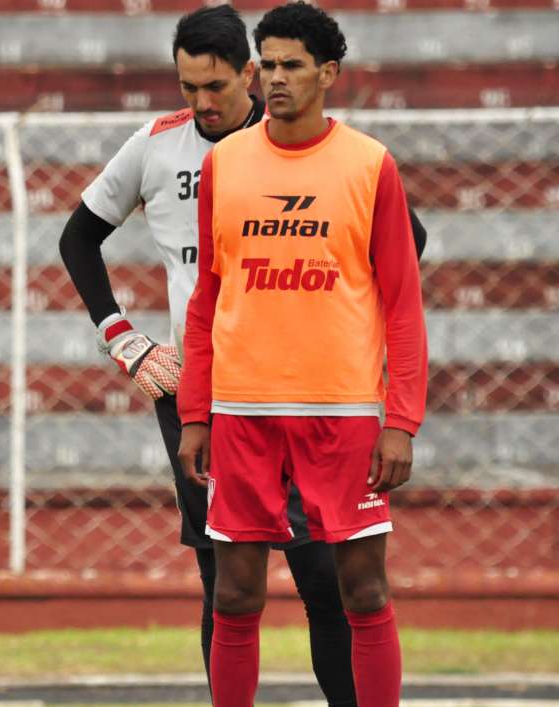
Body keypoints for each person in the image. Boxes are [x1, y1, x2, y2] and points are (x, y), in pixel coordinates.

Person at [59, 6, 425, 706]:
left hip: (321, 394)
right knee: (223, 582)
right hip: (212, 394)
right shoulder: (165, 149)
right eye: (187, 86)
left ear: (249, 76)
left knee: (330, 579)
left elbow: (403, 259)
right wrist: (126, 342)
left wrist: (333, 329)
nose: (201, 102)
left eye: (216, 86)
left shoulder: (334, 152)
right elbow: (85, 244)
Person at [177, 3, 429, 706]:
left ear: (329, 73)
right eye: (270, 65)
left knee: (364, 588)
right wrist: (196, 412)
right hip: (242, 412)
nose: (277, 79)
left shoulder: (370, 165)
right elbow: (206, 302)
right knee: (233, 592)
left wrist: (401, 419)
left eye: (293, 65)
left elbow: (403, 305)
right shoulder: (224, 164)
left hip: (343, 414)